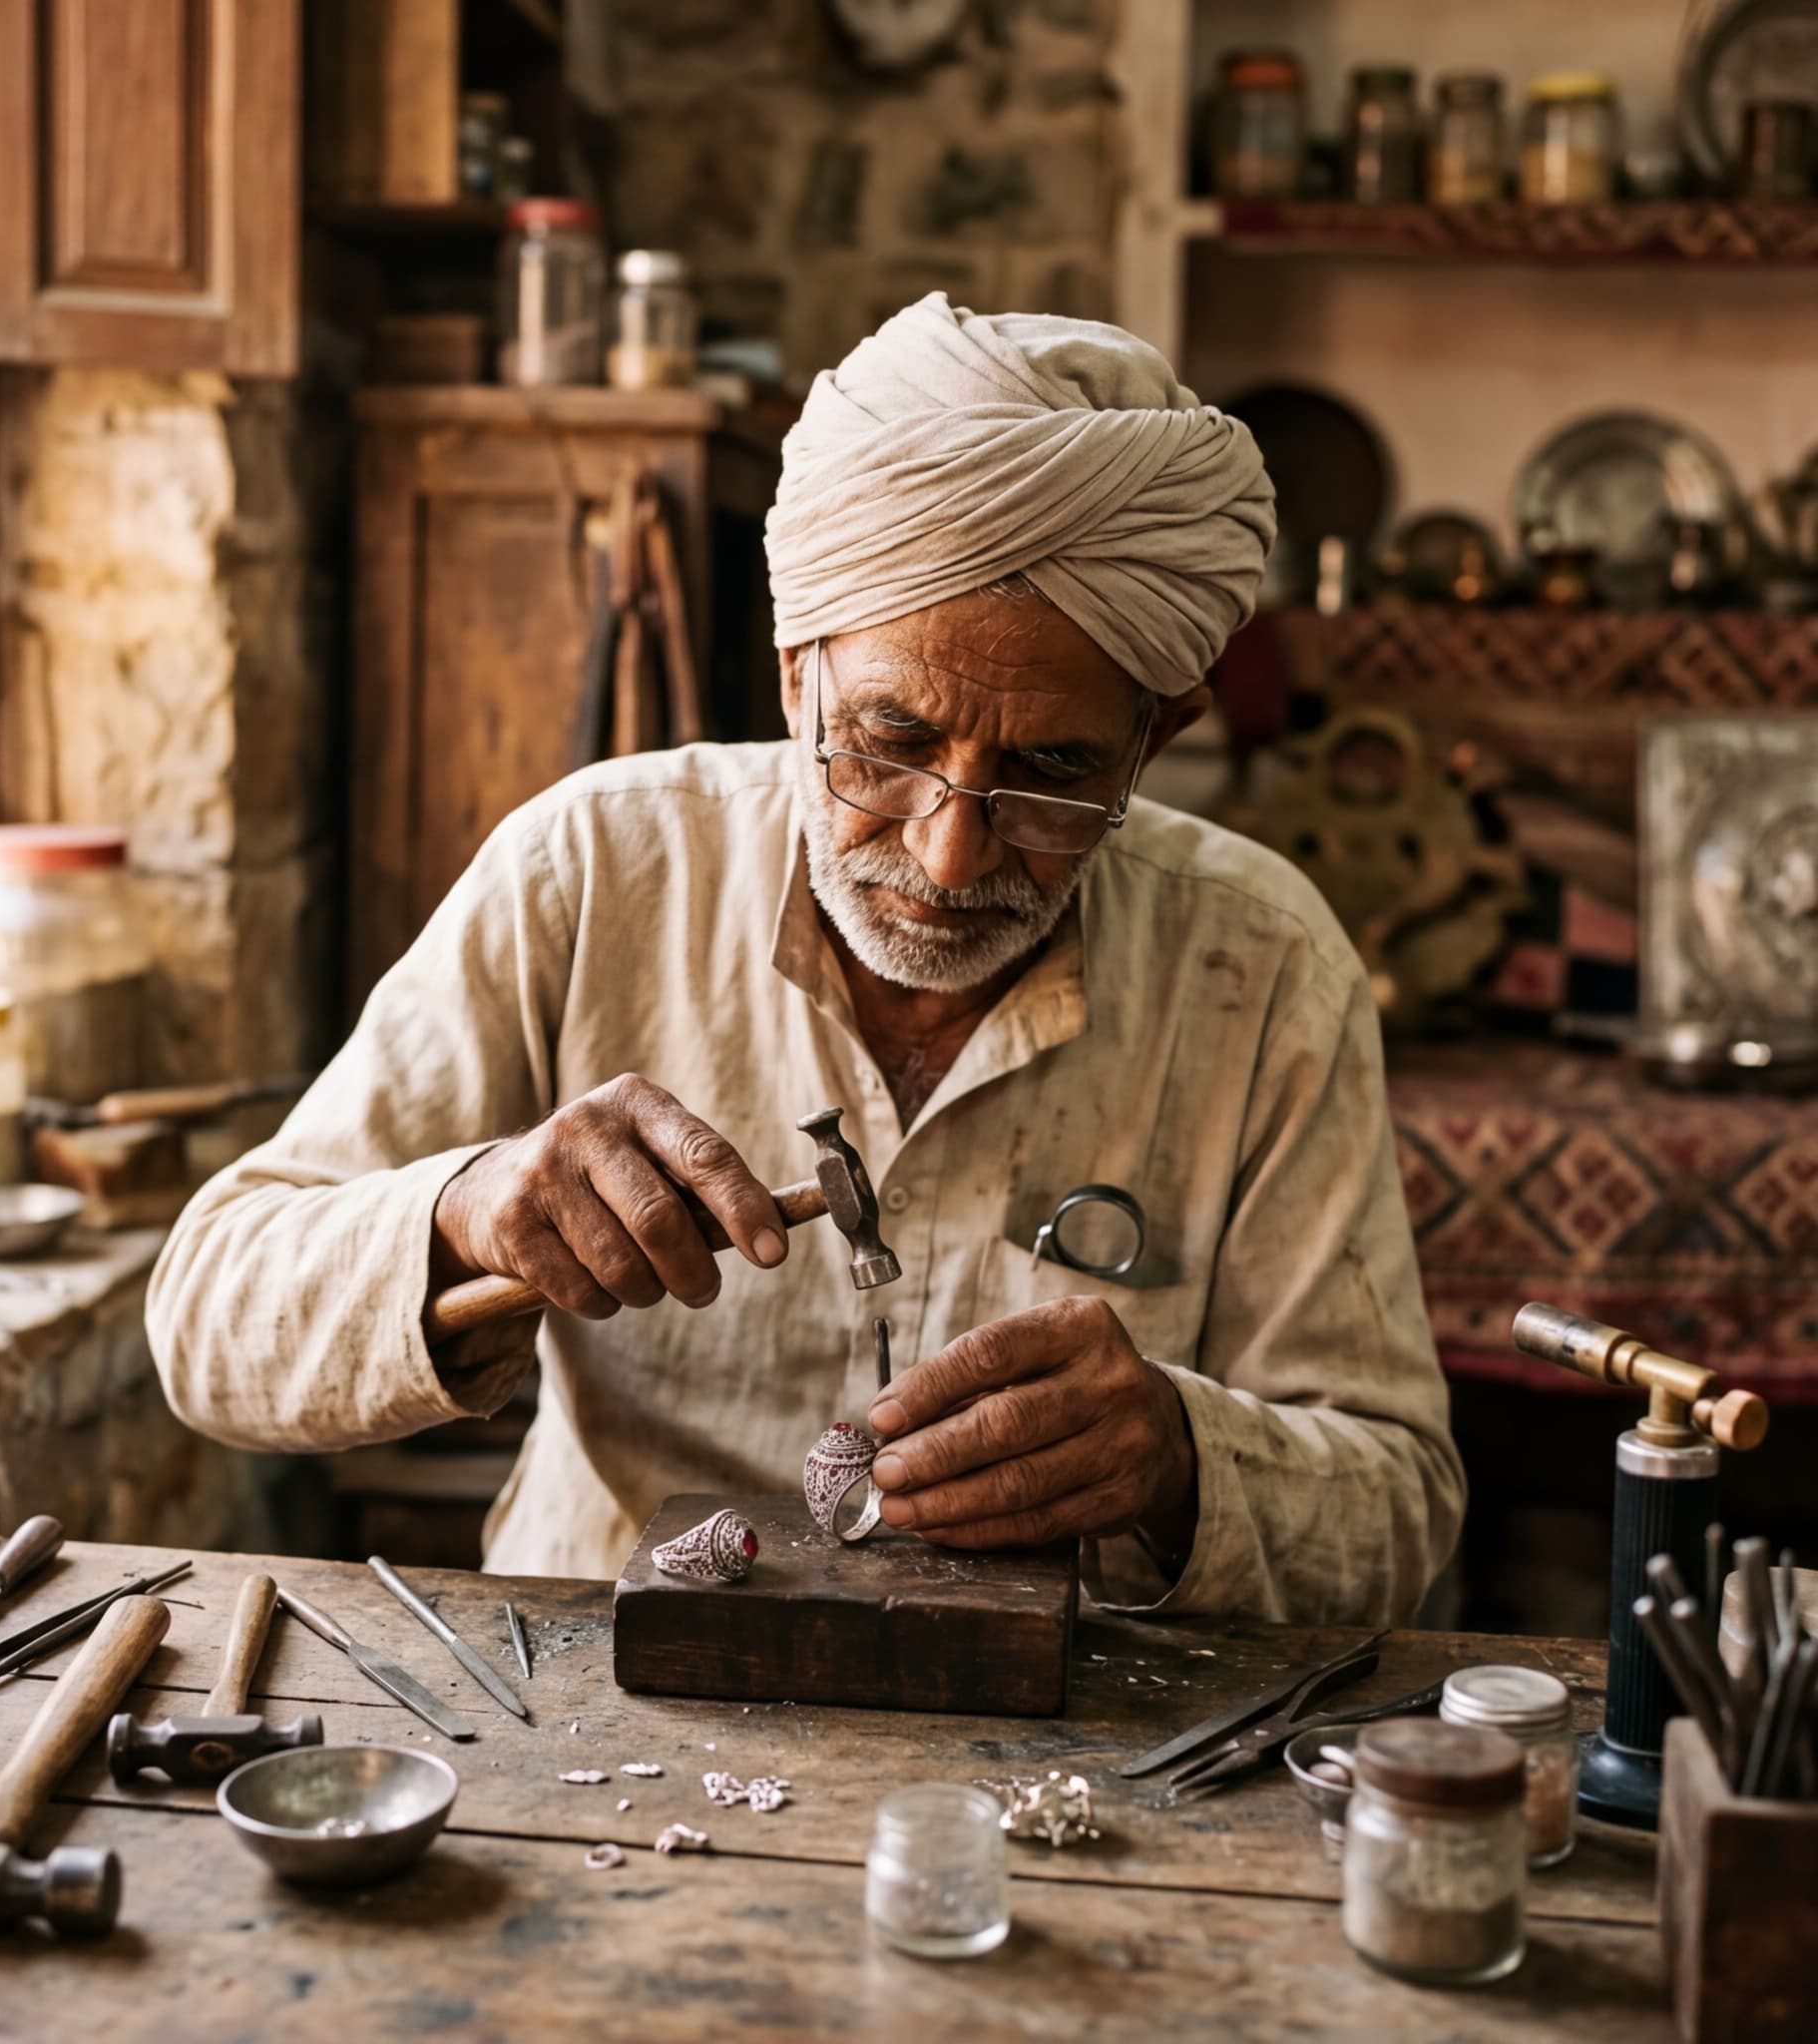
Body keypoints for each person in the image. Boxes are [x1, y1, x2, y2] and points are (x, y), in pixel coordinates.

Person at [148, 294, 1464, 1622]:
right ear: (796, 681)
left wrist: (1181, 1462)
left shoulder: (1263, 966)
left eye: (1052, 772)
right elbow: (209, 1330)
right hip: (601, 1676)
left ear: (1155, 739)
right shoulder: (592, 867)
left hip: (1064, 1711)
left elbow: (1398, 1509)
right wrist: (465, 1213)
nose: (950, 853)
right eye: (890, 745)